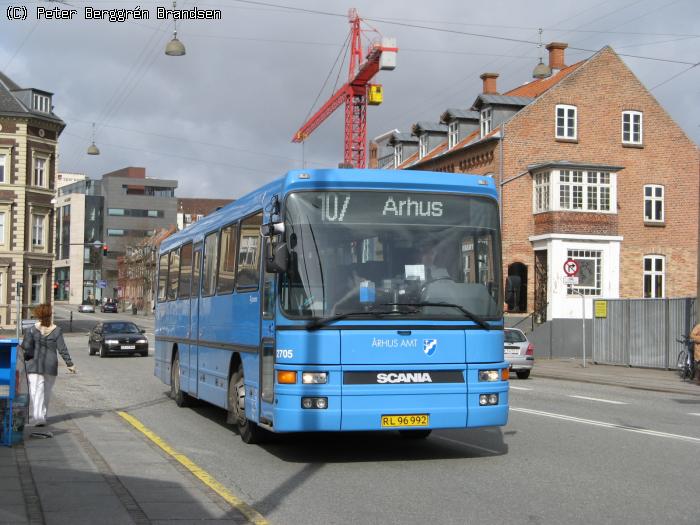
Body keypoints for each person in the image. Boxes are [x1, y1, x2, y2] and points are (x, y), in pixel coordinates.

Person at [20, 304, 76, 426]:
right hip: (51, 365)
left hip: (34, 365)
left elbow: (27, 347)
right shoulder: (57, 330)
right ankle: (42, 415)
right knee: (46, 391)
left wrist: (24, 350)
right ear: (50, 315)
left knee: (36, 391)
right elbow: (62, 349)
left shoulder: (31, 330)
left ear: (37, 315)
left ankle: (38, 417)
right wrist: (69, 364)